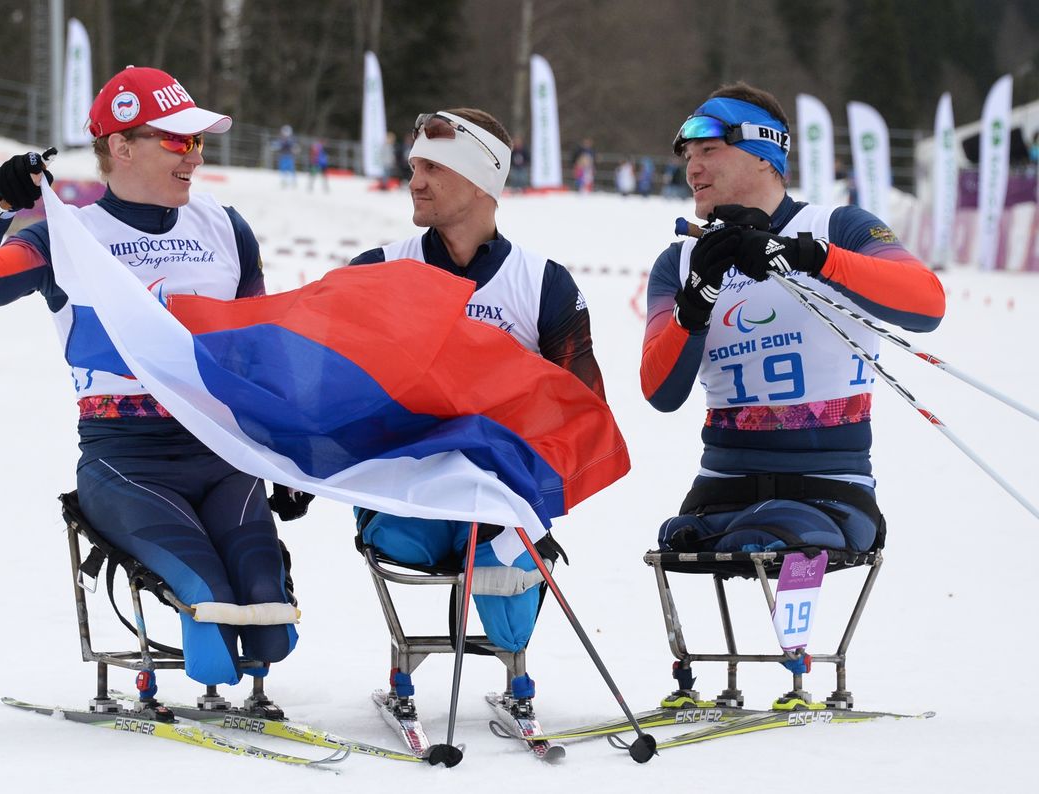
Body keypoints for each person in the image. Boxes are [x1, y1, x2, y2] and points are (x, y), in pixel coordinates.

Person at [0, 66, 310, 703]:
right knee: (212, 610)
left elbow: (258, 350)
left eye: (197, 142)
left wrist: (283, 451)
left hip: (219, 452)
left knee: (271, 626)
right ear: (121, 146)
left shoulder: (226, 228)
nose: (193, 157)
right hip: (126, 457)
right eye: (177, 141)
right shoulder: (67, 236)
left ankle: (245, 655)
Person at [348, 108, 606, 713]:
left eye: (433, 167)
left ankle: (514, 662)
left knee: (510, 624)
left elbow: (584, 414)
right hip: (406, 497)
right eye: (413, 167)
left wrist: (522, 488)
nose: (415, 181)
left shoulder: (542, 283)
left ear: (482, 179)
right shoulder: (380, 270)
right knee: (413, 543)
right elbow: (320, 376)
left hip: (499, 500)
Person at [640, 82, 946, 560]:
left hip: (828, 487)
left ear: (764, 155)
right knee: (682, 540)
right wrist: (695, 301)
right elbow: (660, 392)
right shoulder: (678, 263)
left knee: (763, 539)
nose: (692, 168)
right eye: (687, 157)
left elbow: (927, 304)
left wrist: (810, 256)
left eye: (709, 150)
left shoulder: (839, 227)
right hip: (722, 489)